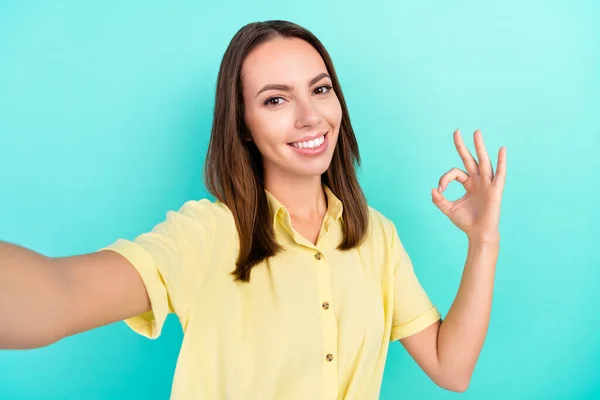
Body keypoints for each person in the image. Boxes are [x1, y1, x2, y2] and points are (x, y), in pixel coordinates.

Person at [0, 20, 506, 399]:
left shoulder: (375, 236)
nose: (311, 117)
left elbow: (451, 366)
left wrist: (483, 240)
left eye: (320, 88)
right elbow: (58, 295)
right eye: (275, 100)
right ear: (242, 124)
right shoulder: (206, 234)